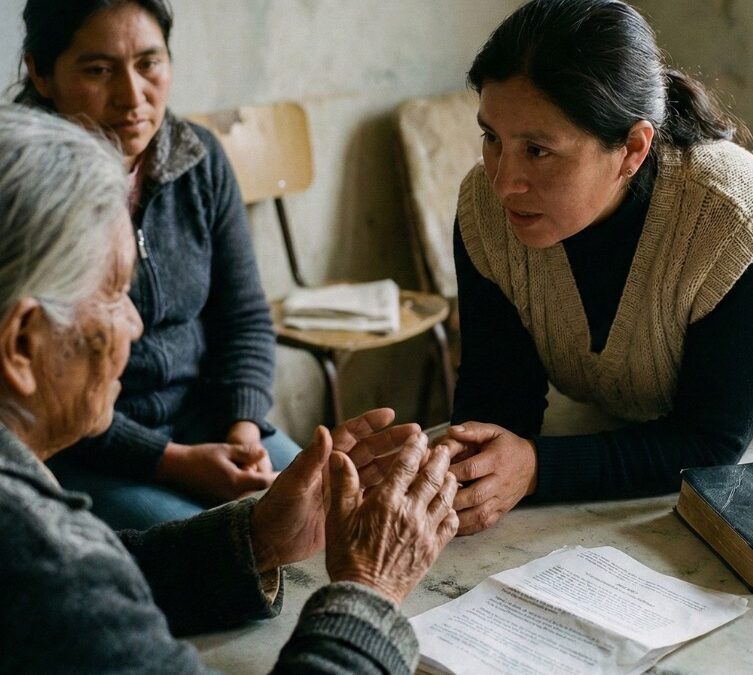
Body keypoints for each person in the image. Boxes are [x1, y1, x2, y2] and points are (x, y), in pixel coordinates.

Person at [0, 104, 458, 673]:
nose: (136, 326)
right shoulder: (37, 557)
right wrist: (368, 592)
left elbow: (99, 577)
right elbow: (71, 590)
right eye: (116, 294)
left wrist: (256, 538)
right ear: (21, 344)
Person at [445, 0, 753, 535]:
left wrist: (536, 468)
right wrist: (464, 471)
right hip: (643, 420)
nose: (505, 180)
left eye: (538, 150)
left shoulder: (736, 217)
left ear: (631, 148)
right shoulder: (485, 209)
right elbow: (496, 388)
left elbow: (710, 442)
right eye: (492, 138)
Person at [12, 0, 301, 528]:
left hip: (210, 425)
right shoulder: (25, 190)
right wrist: (174, 464)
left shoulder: (199, 160)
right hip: (87, 446)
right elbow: (36, 385)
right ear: (40, 71)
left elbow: (244, 317)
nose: (132, 97)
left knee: (321, 505)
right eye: (98, 70)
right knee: (220, 562)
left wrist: (242, 428)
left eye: (149, 63)